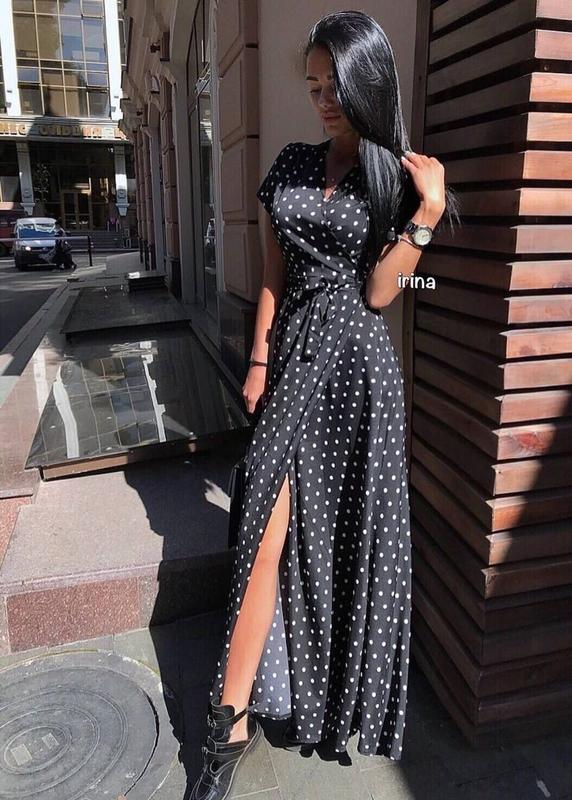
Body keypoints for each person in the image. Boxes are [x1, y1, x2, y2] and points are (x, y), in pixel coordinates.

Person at [189, 11, 460, 800]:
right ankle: (227, 726)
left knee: (341, 534)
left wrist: (426, 216)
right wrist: (259, 355)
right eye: (311, 86)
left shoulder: (396, 178)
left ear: (368, 79)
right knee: (263, 530)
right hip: (294, 363)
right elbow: (272, 272)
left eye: (333, 83)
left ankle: (321, 696)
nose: (322, 99)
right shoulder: (292, 164)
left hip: (357, 373)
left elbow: (382, 292)